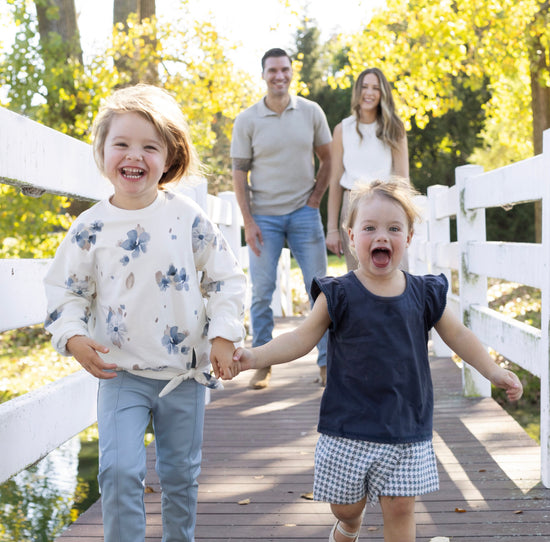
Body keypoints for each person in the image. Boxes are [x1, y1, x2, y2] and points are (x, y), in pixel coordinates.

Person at [223, 179, 523, 542]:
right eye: (370, 228)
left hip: (405, 424)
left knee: (401, 508)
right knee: (345, 506)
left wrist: (491, 369)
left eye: (394, 228)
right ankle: (349, 525)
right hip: (348, 425)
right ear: (351, 237)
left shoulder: (424, 293)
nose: (382, 236)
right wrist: (254, 356)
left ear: (409, 238)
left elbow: (458, 335)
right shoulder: (338, 294)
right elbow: (301, 339)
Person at [43, 84, 246, 542]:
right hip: (121, 373)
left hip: (183, 374)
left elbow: (226, 278)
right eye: (122, 143)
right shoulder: (90, 227)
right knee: (117, 472)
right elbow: (64, 292)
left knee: (179, 477)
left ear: (170, 157)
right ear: (102, 151)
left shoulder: (188, 217)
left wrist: (223, 334)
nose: (134, 156)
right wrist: (74, 337)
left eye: (149, 146)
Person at [231, 47, 332, 389]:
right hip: (264, 218)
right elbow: (238, 174)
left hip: (304, 214)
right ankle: (262, 362)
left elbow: (329, 159)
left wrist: (315, 200)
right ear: (263, 75)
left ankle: (327, 364)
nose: (279, 76)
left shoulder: (311, 112)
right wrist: (248, 220)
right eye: (272, 70)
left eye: (284, 69)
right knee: (262, 291)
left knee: (320, 290)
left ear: (292, 72)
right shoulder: (247, 120)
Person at [326, 67, 409, 271]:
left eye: (375, 88)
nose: (369, 93)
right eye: (364, 87)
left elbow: (402, 178)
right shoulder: (342, 129)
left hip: (388, 204)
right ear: (357, 91)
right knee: (358, 276)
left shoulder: (394, 128)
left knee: (397, 273)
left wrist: (407, 222)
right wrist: (332, 230)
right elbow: (335, 181)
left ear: (383, 93)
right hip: (353, 206)